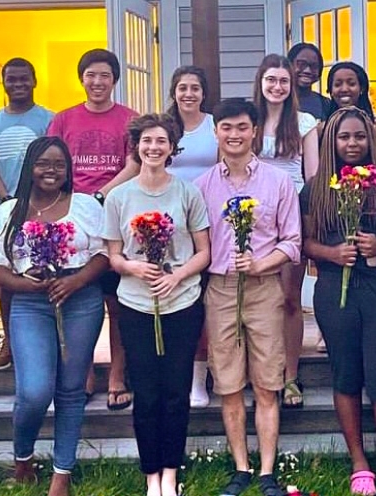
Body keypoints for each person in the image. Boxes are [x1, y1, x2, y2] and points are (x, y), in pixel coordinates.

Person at [0, 137, 109, 496]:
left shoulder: (84, 206)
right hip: (30, 303)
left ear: (69, 170)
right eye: (43, 163)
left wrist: (76, 281)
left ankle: (61, 474)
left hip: (80, 300)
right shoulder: (10, 211)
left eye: (59, 164)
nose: (51, 170)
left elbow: (103, 254)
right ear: (30, 168)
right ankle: (23, 459)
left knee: (70, 390)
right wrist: (26, 285)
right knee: (34, 391)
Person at [195, 98, 300, 496]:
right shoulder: (203, 186)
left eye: (242, 127)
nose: (234, 134)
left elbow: (292, 242)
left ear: (255, 130)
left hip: (263, 288)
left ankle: (267, 471)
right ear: (216, 131)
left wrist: (260, 263)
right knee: (229, 383)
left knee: (267, 382)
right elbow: (197, 244)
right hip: (220, 289)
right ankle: (241, 467)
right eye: (226, 127)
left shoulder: (277, 182)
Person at [103, 113, 210, 496]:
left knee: (176, 392)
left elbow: (203, 252)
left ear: (171, 147)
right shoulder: (119, 197)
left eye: (161, 141)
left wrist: (176, 276)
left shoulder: (187, 193)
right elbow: (113, 256)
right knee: (146, 392)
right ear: (136, 146)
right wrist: (132, 266)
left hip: (181, 302)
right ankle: (151, 475)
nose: (153, 147)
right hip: (136, 305)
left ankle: (170, 471)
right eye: (146, 141)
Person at [304, 107, 376, 495]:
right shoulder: (316, 186)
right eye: (344, 137)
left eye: (360, 136)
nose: (352, 144)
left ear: (371, 140)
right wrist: (332, 255)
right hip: (335, 289)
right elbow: (305, 242)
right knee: (346, 375)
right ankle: (359, 461)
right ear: (332, 141)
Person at [48, 48, 140, 411]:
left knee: (116, 300)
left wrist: (102, 194)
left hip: (115, 211)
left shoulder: (129, 118)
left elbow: (135, 162)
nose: (97, 82)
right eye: (91, 75)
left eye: (104, 75)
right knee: (78, 298)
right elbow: (51, 161)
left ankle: (117, 375)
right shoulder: (64, 119)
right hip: (72, 217)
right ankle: (83, 372)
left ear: (114, 79)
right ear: (81, 78)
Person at [0, 57, 56, 372]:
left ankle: (50, 339)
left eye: (24, 79)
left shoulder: (49, 119)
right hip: (7, 209)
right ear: (4, 82)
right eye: (11, 79)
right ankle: (9, 343)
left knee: (47, 272)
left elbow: (53, 163)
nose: (18, 84)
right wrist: (10, 200)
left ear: (35, 81)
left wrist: (36, 201)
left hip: (43, 209)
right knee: (7, 279)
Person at [252, 54, 319, 409]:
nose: (277, 87)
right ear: (260, 83)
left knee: (289, 297)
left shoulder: (305, 122)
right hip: (251, 216)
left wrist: (308, 219)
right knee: (258, 300)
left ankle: (290, 374)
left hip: (290, 212)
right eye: (271, 80)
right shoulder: (247, 120)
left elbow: (313, 175)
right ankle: (264, 372)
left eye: (283, 81)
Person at [166, 65, 222, 408]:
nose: (188, 94)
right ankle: (176, 374)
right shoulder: (164, 127)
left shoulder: (214, 126)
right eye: (182, 87)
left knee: (200, 302)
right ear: (173, 91)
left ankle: (200, 379)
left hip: (207, 221)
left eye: (195, 88)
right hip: (167, 225)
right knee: (174, 302)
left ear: (204, 93)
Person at [323, 62, 376, 172]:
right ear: (331, 91)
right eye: (338, 84)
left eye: (351, 84)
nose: (344, 89)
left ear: (362, 88)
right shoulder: (323, 129)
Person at [287, 43, 331, 122]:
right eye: (301, 64)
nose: (307, 70)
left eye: (314, 66)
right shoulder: (278, 101)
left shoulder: (326, 105)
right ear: (289, 65)